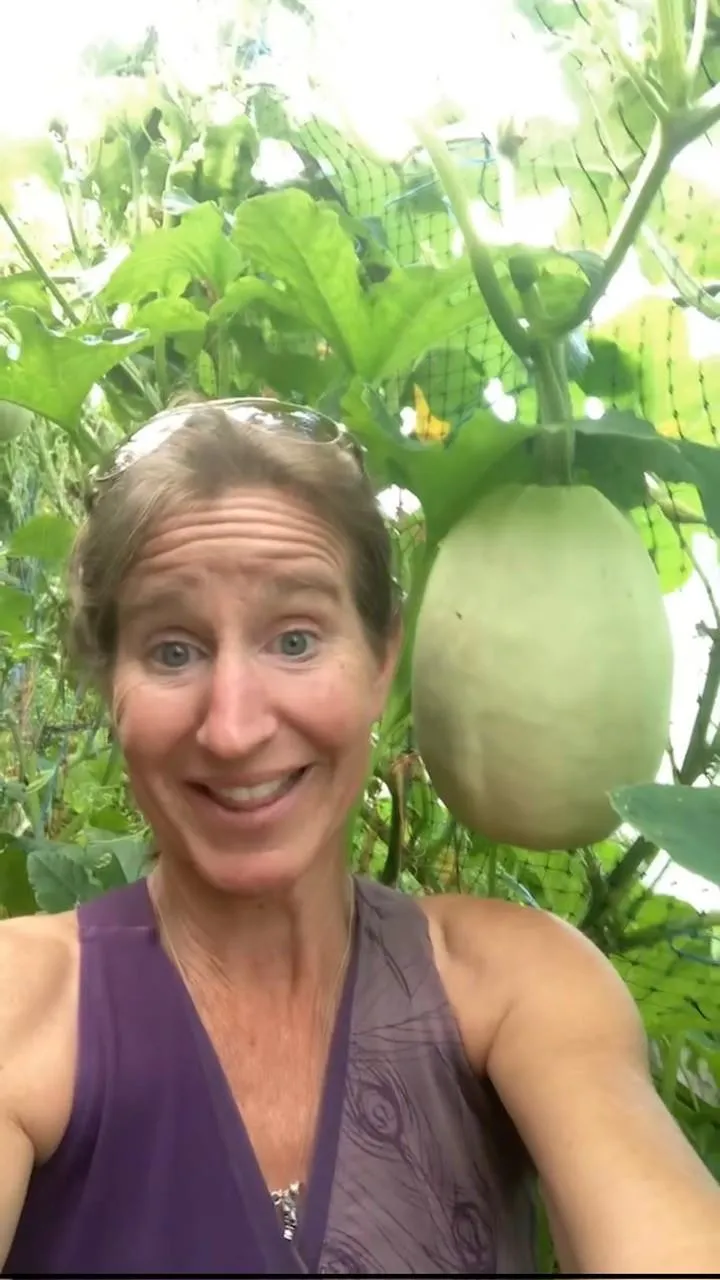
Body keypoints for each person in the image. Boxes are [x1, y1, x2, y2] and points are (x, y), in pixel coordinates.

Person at [1, 397, 719, 1277]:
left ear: (384, 659)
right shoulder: (21, 1006)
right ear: (108, 683)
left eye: (295, 639)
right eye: (173, 651)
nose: (232, 729)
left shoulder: (520, 989)